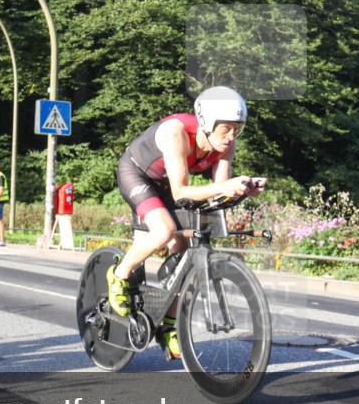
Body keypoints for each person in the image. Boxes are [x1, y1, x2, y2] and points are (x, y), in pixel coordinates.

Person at [107, 86, 267, 360]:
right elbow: (180, 191)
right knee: (165, 230)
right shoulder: (176, 133)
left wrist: (243, 188)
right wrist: (227, 186)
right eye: (225, 129)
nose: (230, 137)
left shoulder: (226, 143)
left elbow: (220, 191)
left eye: (237, 129)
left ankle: (168, 326)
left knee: (183, 246)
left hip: (169, 181)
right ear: (205, 123)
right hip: (138, 174)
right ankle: (119, 275)